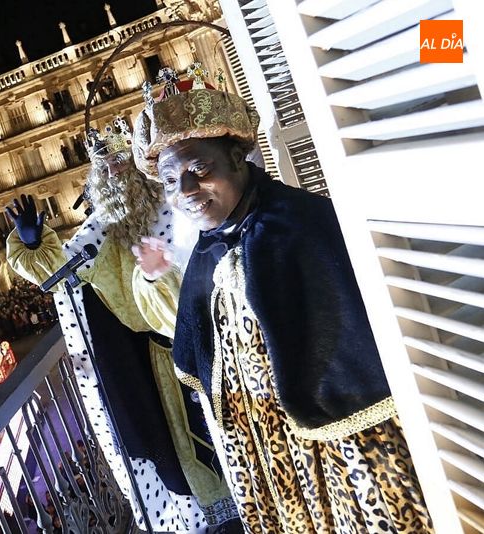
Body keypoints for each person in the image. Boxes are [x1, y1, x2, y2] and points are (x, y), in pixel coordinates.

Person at [131, 66, 434, 532]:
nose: (187, 191)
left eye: (199, 169)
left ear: (237, 158)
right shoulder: (207, 251)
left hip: (342, 442)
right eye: (171, 182)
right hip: (261, 450)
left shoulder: (302, 225)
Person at [5, 116, 237, 531]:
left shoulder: (180, 200)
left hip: (217, 333)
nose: (116, 172)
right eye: (106, 168)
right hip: (160, 357)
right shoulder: (102, 228)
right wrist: (34, 244)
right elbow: (62, 272)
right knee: (187, 442)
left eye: (121, 161)